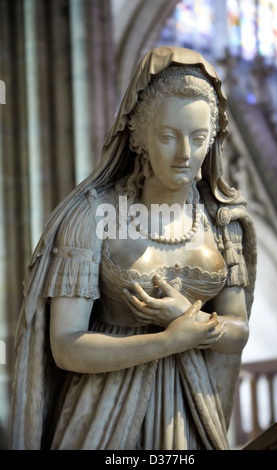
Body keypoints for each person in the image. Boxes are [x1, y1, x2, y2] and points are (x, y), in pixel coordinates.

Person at [10, 46, 257, 450]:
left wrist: (188, 320)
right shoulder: (91, 216)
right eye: (168, 136)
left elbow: (239, 331)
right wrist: (167, 340)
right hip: (104, 409)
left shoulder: (223, 221)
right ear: (141, 136)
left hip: (190, 406)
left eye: (198, 139)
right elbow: (66, 346)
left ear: (212, 140)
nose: (184, 154)